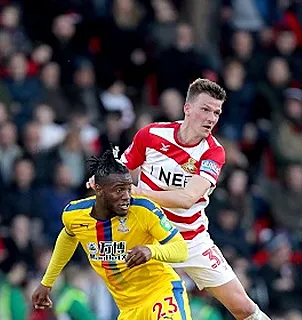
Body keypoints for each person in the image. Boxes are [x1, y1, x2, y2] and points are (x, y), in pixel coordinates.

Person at [89, 78, 271, 320]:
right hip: (148, 235)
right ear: (187, 108)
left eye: (216, 112)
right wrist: (103, 178)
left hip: (190, 238)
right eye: (205, 109)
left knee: (244, 309)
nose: (211, 118)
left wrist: (137, 192)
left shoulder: (213, 152)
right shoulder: (152, 134)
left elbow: (187, 198)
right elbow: (121, 170)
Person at [32, 148, 191, 320]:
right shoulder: (74, 215)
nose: (126, 196)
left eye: (129, 189)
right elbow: (68, 237)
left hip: (161, 293)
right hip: (128, 309)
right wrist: (47, 283)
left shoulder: (145, 210)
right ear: (99, 190)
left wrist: (151, 251)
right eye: (118, 190)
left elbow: (181, 250)